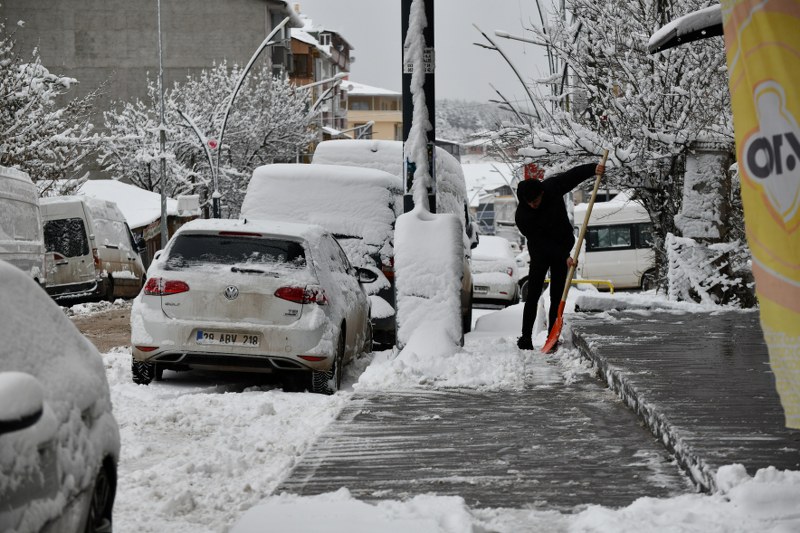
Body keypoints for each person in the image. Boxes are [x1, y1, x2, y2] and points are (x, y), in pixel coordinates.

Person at [515, 161, 605, 352]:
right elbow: (540, 241)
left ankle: (552, 335)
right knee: (533, 294)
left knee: (557, 295)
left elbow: (570, 177)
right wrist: (563, 256)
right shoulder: (522, 215)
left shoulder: (551, 188)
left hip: (562, 243)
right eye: (529, 202)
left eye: (536, 201)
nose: (533, 205)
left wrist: (592, 168)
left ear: (542, 193)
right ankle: (525, 338)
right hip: (540, 251)